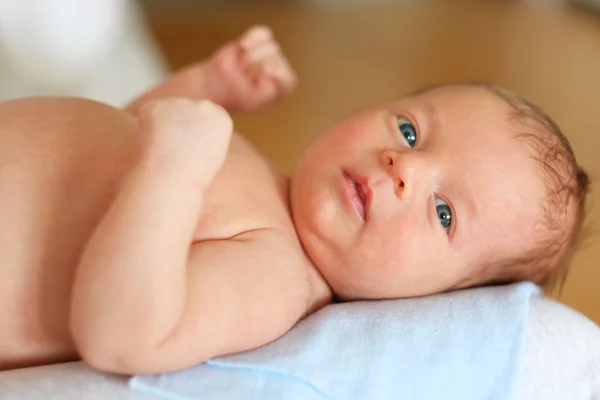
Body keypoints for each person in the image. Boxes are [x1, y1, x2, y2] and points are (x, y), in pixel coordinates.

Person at [0, 26, 588, 374]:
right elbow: (125, 146)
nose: (403, 166)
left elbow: (124, 335)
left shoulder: (275, 275)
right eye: (410, 131)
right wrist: (204, 89)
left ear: (430, 302)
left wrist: (172, 171)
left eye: (444, 213)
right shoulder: (264, 181)